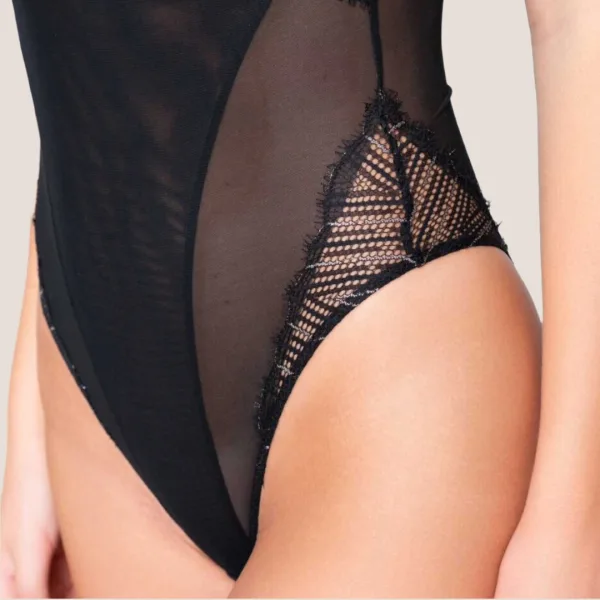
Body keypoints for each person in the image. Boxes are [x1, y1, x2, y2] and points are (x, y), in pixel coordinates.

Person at [0, 0, 594, 597]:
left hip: (376, 352)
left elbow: (574, 21)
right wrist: (35, 357)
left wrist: (577, 529)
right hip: (100, 395)